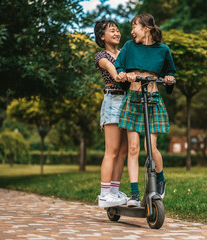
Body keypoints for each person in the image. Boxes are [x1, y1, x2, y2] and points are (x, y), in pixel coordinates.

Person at [115, 13, 176, 207]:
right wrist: (124, 75)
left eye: (135, 27)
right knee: (133, 148)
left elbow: (170, 72)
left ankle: (160, 179)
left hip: (152, 98)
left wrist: (169, 79)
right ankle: (134, 194)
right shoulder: (128, 47)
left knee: (151, 147)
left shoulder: (163, 50)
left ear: (146, 29)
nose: (132, 31)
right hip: (133, 99)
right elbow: (119, 68)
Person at [94, 20, 128, 208]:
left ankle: (114, 192)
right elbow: (112, 70)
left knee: (122, 152)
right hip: (113, 100)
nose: (116, 33)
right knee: (112, 151)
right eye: (111, 30)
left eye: (117, 30)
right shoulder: (101, 56)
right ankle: (105, 194)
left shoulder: (124, 53)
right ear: (102, 36)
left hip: (127, 100)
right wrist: (119, 76)